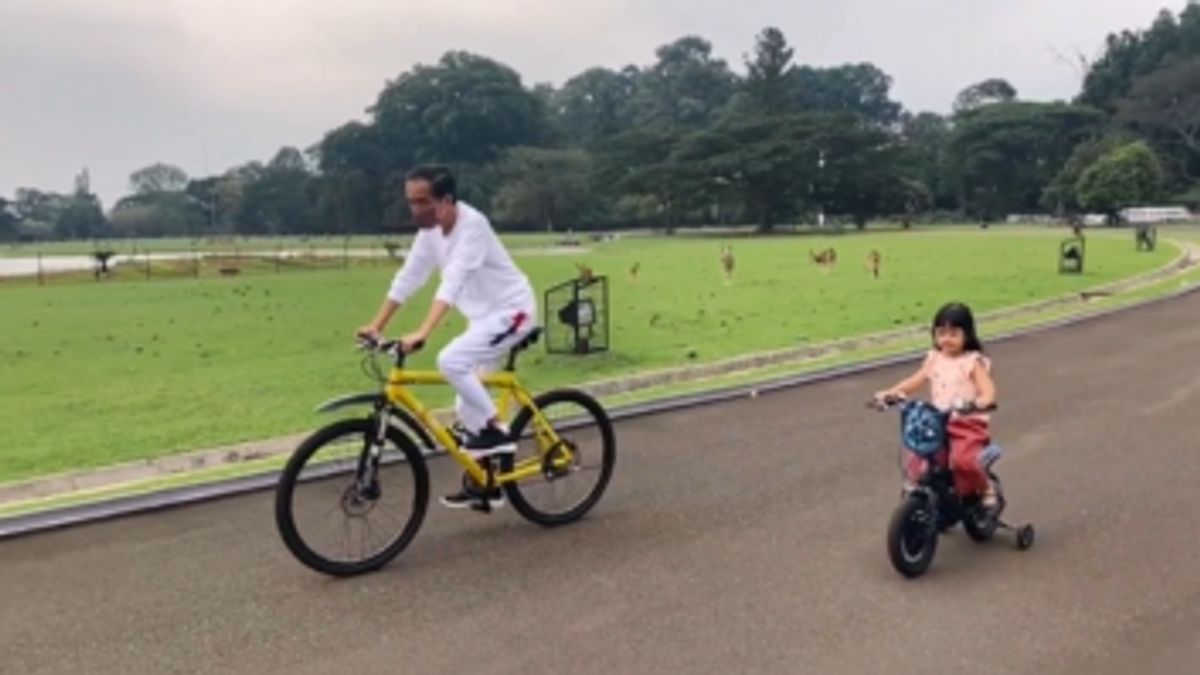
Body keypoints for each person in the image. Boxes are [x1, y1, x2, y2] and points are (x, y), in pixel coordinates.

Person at [357, 165, 538, 509]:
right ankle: (488, 484)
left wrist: (424, 331)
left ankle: (498, 431)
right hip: (482, 319)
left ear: (446, 201)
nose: (415, 210)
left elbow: (452, 282)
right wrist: (376, 324)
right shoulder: (429, 233)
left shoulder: (473, 226)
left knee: (450, 360)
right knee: (464, 402)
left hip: (512, 311)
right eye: (410, 201)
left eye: (422, 201)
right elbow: (409, 277)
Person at [874, 302, 999, 508]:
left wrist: (981, 401)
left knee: (963, 461)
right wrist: (892, 393)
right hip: (937, 421)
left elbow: (988, 391)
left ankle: (985, 486)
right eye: (941, 333)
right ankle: (923, 498)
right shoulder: (934, 359)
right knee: (918, 456)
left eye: (953, 333)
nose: (946, 339)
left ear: (967, 334)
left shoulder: (972, 362)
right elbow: (915, 380)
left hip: (966, 423)